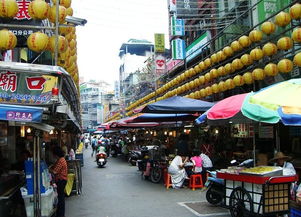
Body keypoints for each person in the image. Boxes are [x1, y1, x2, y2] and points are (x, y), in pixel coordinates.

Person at [50, 146, 68, 217]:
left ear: (56, 154)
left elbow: (54, 171)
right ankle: (60, 213)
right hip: (61, 180)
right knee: (60, 198)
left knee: (60, 198)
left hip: (61, 181)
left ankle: (60, 214)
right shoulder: (60, 160)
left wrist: (49, 169)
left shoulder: (61, 160)